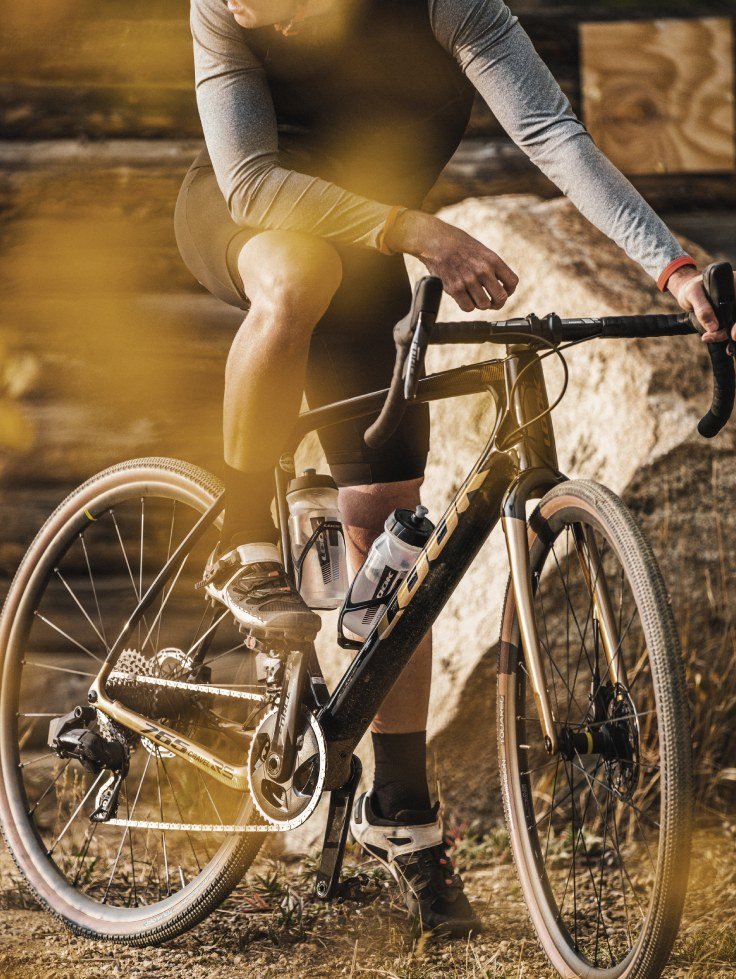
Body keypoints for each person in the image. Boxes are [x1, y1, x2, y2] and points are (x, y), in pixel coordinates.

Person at [175, 0, 736, 937]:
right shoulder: (218, 9)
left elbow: (552, 132)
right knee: (299, 274)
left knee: (395, 538)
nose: (235, 3)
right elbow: (251, 184)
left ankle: (405, 819)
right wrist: (418, 229)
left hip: (373, 248)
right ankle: (243, 542)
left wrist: (674, 269)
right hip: (260, 218)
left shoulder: (446, 4)